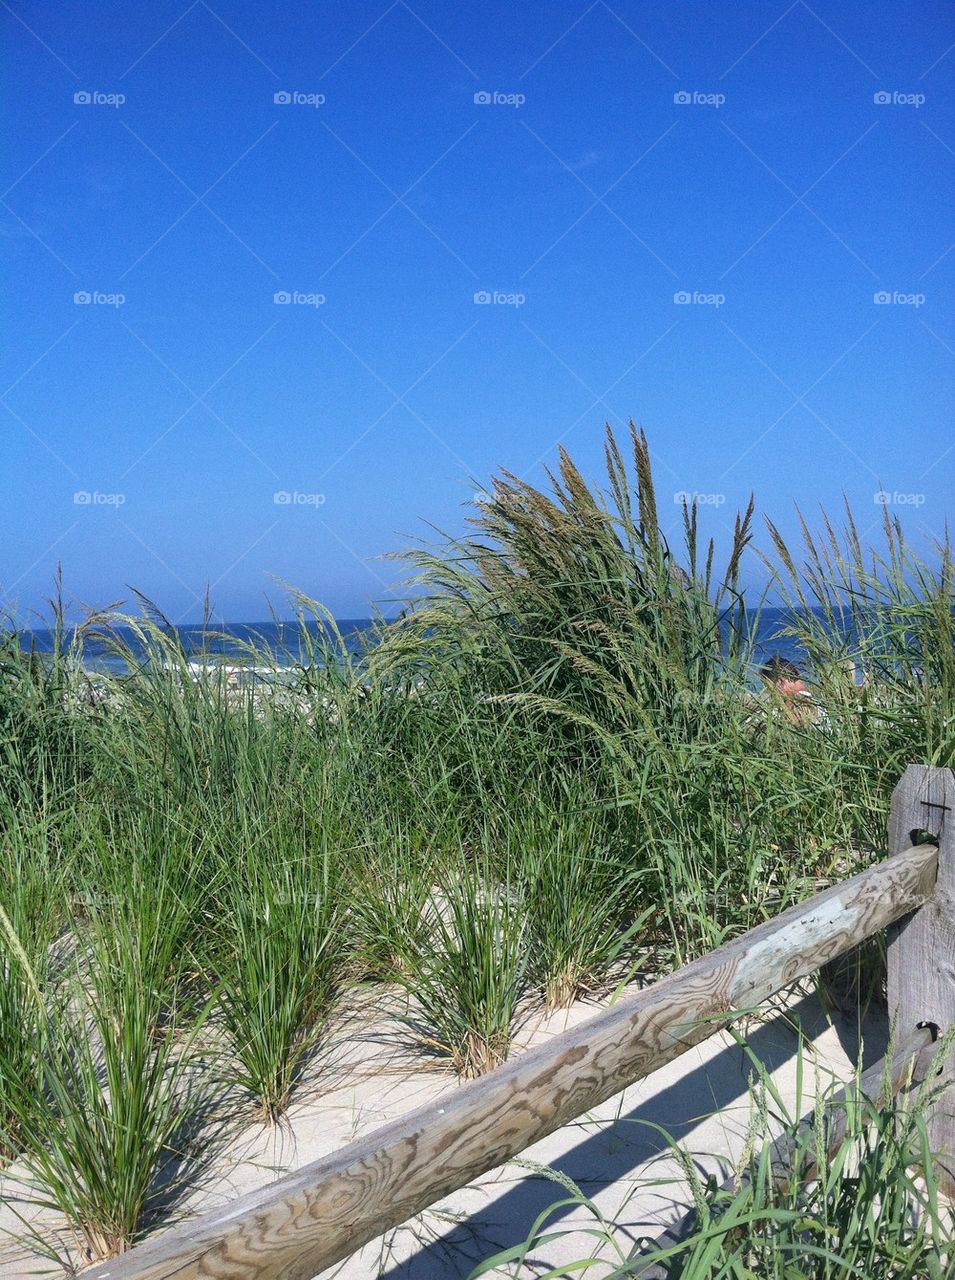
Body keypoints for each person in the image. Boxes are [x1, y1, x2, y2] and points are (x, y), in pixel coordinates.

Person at [760, 655, 816, 725]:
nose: (771, 695)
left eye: (769, 688)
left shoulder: (796, 705)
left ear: (780, 681)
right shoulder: (819, 704)